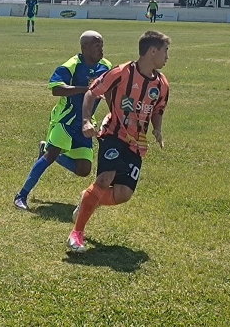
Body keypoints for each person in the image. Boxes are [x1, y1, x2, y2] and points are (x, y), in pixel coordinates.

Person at [67, 30, 171, 253]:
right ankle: (77, 234)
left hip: (138, 143)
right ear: (152, 51)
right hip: (113, 133)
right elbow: (92, 93)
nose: (167, 57)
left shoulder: (162, 84)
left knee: (123, 193)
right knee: (105, 179)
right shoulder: (122, 72)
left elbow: (158, 109)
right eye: (165, 51)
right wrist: (86, 121)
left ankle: (86, 201)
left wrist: (158, 128)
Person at [14, 31, 112, 210]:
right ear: (85, 47)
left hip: (86, 122)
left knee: (84, 170)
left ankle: (48, 149)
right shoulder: (72, 65)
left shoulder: (106, 66)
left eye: (102, 46)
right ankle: (21, 195)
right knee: (49, 156)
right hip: (66, 118)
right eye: (97, 46)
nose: (101, 49)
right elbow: (56, 89)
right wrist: (85, 90)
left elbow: (111, 91)